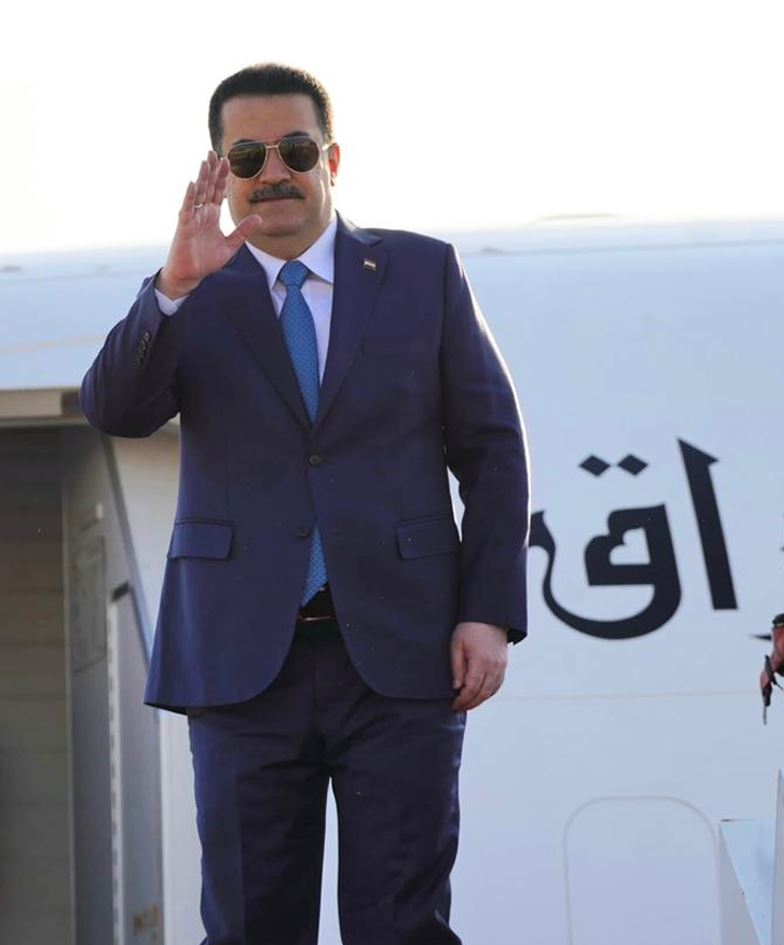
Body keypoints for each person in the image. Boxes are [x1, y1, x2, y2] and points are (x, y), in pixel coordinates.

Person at [80, 63, 528, 944]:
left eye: (294, 149)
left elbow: (493, 448)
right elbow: (115, 409)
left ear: (332, 158)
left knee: (402, 925)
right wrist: (172, 287)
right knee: (250, 924)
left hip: (401, 655)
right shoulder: (191, 290)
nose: (274, 172)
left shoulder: (421, 271)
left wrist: (487, 613)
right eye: (248, 157)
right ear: (222, 172)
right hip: (242, 662)